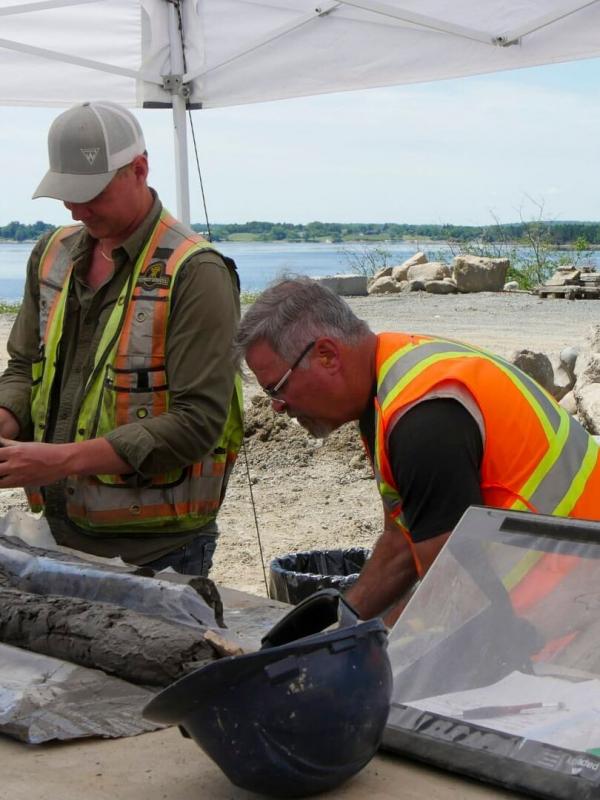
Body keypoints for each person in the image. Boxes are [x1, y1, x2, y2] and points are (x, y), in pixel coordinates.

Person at [234, 276, 600, 623]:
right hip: (555, 599)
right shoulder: (388, 383)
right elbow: (402, 543)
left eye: (276, 388)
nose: (276, 407)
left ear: (327, 355)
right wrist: (343, 624)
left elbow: (454, 590)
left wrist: (370, 645)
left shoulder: (421, 419)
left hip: (575, 611)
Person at [0, 101, 243, 576]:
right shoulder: (51, 254)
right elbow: (25, 367)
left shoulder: (197, 272)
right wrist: (7, 421)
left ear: (139, 169)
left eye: (91, 193)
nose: (76, 208)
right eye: (66, 194)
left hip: (157, 553)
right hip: (57, 533)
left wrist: (61, 461)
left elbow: (198, 422)